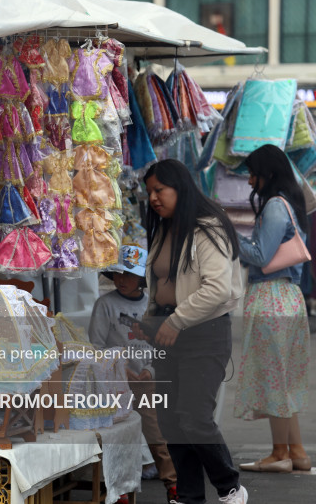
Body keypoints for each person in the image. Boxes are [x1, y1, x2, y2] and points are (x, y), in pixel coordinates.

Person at [139, 159, 248, 504]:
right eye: (149, 192)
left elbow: (217, 288)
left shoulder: (207, 228)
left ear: (180, 188)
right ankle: (187, 495)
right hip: (167, 332)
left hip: (203, 332)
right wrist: (152, 318)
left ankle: (230, 486)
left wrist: (176, 320)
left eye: (160, 190)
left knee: (194, 417)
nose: (153, 198)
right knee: (170, 420)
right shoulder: (165, 228)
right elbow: (162, 283)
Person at [233, 145, 311, 473]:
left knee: (274, 379)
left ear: (269, 173)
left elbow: (262, 257)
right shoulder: (290, 205)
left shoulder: (275, 207)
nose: (250, 181)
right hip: (289, 299)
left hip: (271, 299)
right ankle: (297, 453)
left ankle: (280, 454)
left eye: (254, 173)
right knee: (285, 379)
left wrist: (229, 234)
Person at [88, 245, 178, 503]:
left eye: (128, 275)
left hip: (147, 382)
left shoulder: (153, 305)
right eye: (117, 274)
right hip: (115, 382)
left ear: (142, 279)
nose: (121, 279)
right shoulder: (104, 305)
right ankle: (119, 491)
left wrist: (150, 370)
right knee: (118, 438)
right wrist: (120, 369)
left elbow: (161, 345)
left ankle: (173, 486)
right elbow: (96, 346)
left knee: (156, 436)